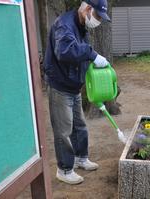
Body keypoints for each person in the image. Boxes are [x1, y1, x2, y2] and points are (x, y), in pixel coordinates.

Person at [44, 0, 111, 185]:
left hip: (73, 86)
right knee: (64, 129)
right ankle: (64, 169)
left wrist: (92, 58)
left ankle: (81, 158)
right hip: (60, 85)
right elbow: (65, 51)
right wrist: (92, 54)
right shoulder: (64, 25)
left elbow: (80, 52)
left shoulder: (81, 25)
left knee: (79, 126)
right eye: (97, 16)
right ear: (88, 9)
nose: (98, 21)